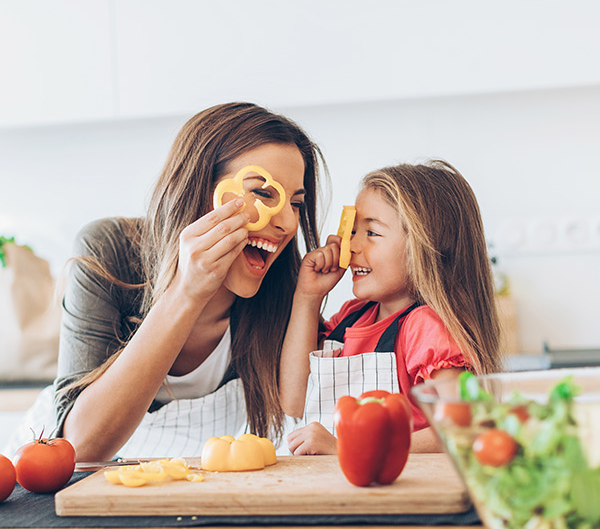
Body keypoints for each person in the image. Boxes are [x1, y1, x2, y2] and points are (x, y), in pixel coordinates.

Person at [53, 102, 326, 462]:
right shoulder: (109, 250)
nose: (288, 224)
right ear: (199, 188)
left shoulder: (285, 289)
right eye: (262, 194)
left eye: (296, 203)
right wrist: (186, 292)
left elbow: (299, 411)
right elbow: (80, 449)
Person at [279, 160, 501, 455]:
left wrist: (350, 447)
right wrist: (307, 297)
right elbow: (295, 402)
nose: (351, 246)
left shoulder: (425, 328)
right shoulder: (351, 317)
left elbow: (462, 428)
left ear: (423, 248)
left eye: (371, 233)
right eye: (353, 231)